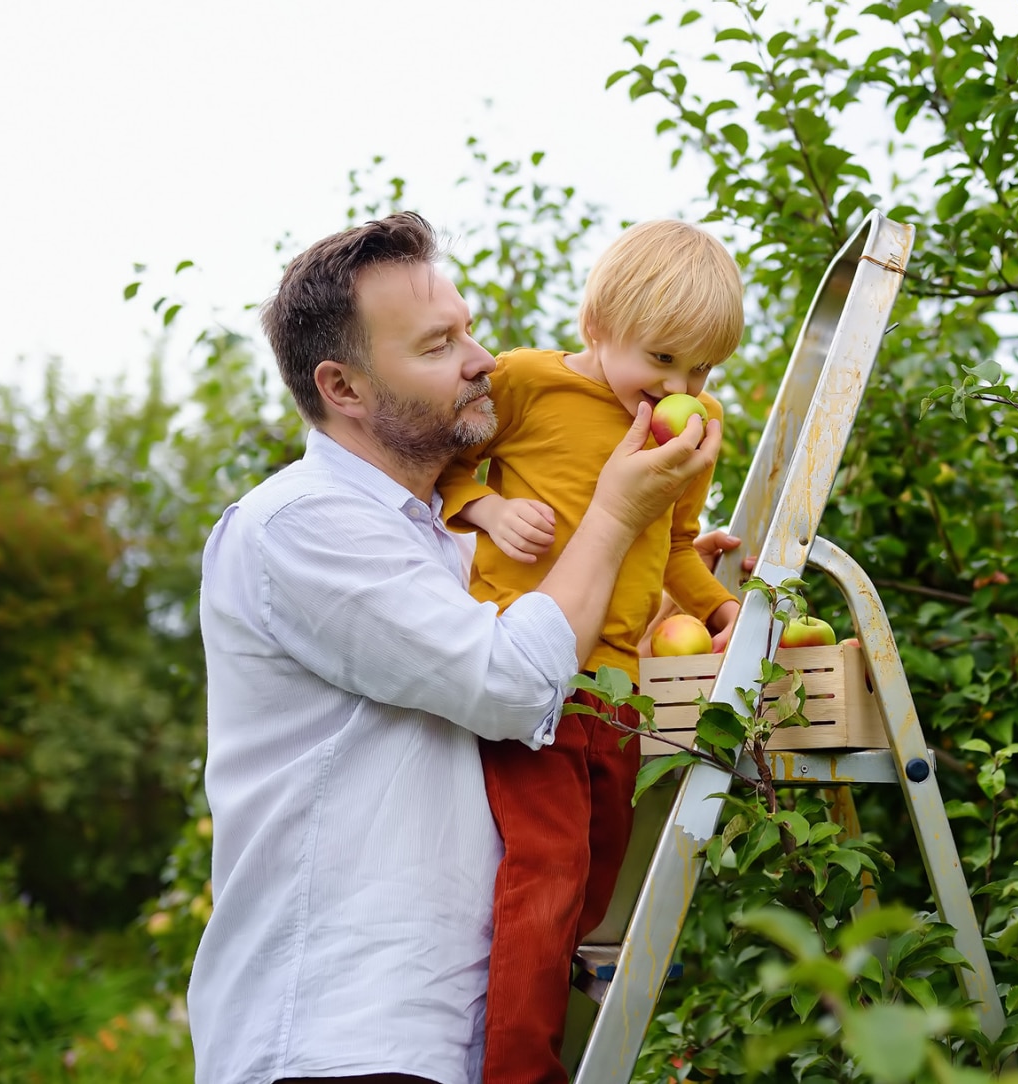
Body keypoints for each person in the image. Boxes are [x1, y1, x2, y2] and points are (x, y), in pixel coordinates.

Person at [187, 211, 722, 1084]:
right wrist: (617, 513)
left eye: (468, 329)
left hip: (437, 1043)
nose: (481, 358)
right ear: (345, 388)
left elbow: (558, 621)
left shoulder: (442, 542)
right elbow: (515, 682)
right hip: (338, 1044)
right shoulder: (302, 527)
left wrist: (680, 589)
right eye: (439, 346)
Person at [436, 219, 745, 1084]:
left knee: (599, 870)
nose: (681, 386)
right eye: (663, 360)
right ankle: (517, 1069)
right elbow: (445, 467)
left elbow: (677, 543)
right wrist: (488, 510)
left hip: (621, 688)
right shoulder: (531, 383)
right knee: (549, 867)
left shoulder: (694, 426)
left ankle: (528, 1003)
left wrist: (720, 609)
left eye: (702, 370)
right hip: (529, 675)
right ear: (597, 326)